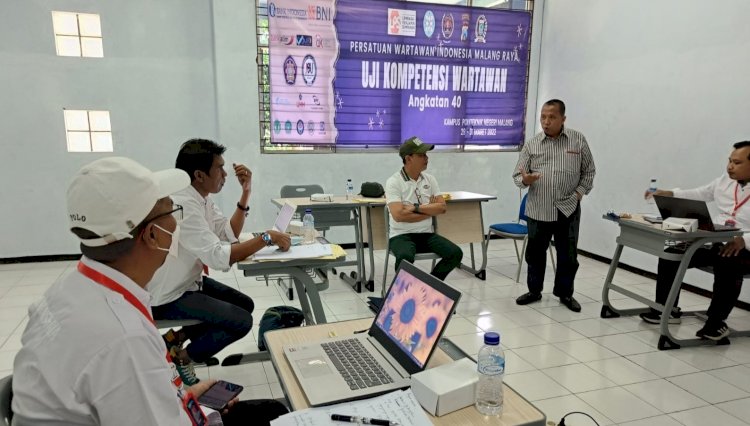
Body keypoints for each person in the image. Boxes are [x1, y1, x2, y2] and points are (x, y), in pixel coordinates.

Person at [11, 157, 288, 425]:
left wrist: (185, 397)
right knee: (278, 414)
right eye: (171, 212)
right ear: (152, 235)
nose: (176, 224)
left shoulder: (66, 291)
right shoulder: (124, 339)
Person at [147, 139, 290, 385]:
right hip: (168, 295)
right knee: (241, 321)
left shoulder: (200, 197)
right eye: (220, 169)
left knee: (244, 304)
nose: (225, 174)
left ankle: (175, 337)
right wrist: (266, 238)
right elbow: (217, 256)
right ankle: (184, 357)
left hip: (188, 282)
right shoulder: (183, 205)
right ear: (200, 175)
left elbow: (228, 233)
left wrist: (246, 192)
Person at [640, 141, 750, 340]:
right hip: (717, 240)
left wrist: (744, 240)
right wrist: (670, 193)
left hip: (743, 248)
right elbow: (701, 193)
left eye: (737, 163)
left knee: (729, 260)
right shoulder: (725, 181)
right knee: (674, 249)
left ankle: (715, 323)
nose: (730, 166)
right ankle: (667, 308)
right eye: (730, 161)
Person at [512, 99, 596, 312]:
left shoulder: (578, 141)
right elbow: (516, 175)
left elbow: (589, 171)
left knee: (568, 256)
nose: (546, 122)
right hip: (538, 209)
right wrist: (525, 181)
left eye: (551, 117)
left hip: (568, 208)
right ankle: (534, 290)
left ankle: (565, 293)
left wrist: (578, 194)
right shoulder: (532, 144)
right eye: (543, 117)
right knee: (535, 253)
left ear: (563, 119)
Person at [384, 136, 463, 280]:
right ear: (408, 159)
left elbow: (442, 208)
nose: (426, 158)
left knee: (455, 253)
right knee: (405, 257)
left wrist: (414, 208)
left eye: (426, 155)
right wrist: (429, 210)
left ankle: (430, 285)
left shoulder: (430, 179)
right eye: (421, 155)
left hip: (426, 234)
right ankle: (402, 295)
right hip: (401, 236)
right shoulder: (393, 182)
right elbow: (399, 216)